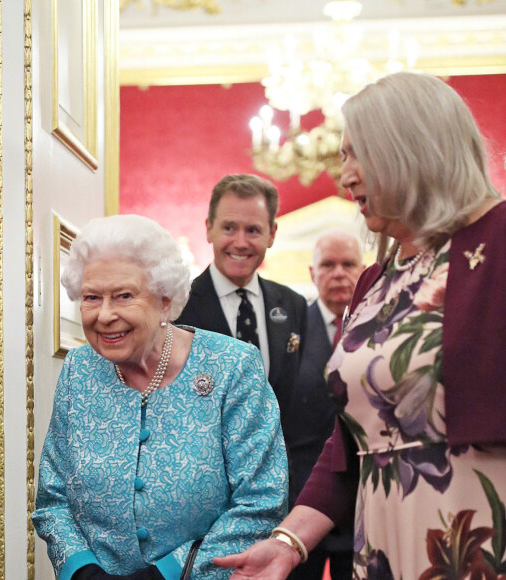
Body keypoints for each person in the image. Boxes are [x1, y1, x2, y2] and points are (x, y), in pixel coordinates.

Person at [214, 71, 506, 580]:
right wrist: (288, 542)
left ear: (411, 147)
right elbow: (351, 442)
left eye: (356, 154)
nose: (345, 174)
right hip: (381, 547)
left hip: (476, 538)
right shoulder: (376, 278)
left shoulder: (499, 241)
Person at [32, 214, 288, 580]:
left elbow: (261, 502)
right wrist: (81, 570)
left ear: (165, 302)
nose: (105, 315)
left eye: (124, 296)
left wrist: (167, 574)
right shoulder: (79, 369)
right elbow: (53, 498)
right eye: (92, 297)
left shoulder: (232, 367)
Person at [176, 174, 307, 426]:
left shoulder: (294, 306)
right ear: (208, 229)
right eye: (229, 228)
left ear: (271, 234)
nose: (240, 242)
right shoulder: (177, 306)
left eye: (253, 230)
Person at [283, 230, 363, 580]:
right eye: (328, 265)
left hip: (364, 503)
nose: (339, 273)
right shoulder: (287, 331)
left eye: (348, 264)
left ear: (364, 270)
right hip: (300, 497)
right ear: (312, 273)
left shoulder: (381, 330)